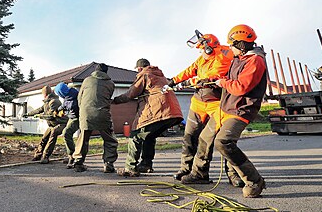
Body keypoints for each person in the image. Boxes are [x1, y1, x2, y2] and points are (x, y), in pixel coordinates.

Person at [184, 24, 267, 198]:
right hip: (226, 107)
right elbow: (229, 78)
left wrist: (223, 83)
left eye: (232, 45)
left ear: (241, 44)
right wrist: (213, 80)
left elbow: (241, 87)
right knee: (204, 138)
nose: (229, 48)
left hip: (240, 110)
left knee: (223, 142)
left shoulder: (255, 61)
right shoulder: (239, 59)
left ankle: (254, 181)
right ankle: (199, 174)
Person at [169, 33, 240, 186]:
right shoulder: (203, 58)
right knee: (189, 136)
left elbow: (212, 75)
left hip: (217, 103)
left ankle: (233, 174)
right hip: (198, 102)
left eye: (201, 50)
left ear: (209, 48)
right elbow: (191, 69)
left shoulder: (226, 55)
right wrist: (173, 81)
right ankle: (186, 169)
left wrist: (195, 81)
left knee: (221, 140)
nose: (200, 53)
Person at [113, 58, 184, 176]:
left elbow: (131, 93)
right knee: (149, 137)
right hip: (172, 112)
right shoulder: (161, 77)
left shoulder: (144, 75)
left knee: (135, 136)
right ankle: (146, 164)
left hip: (157, 111)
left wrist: (115, 101)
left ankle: (130, 167)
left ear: (139, 68)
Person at [71, 63, 118, 173]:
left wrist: (83, 110)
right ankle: (108, 164)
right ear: (106, 72)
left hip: (86, 113)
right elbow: (107, 98)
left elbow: (80, 98)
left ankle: (78, 162)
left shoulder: (87, 80)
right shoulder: (111, 83)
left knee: (83, 138)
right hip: (102, 114)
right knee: (109, 139)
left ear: (95, 70)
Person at [24, 85, 68, 164]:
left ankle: (45, 156)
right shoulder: (47, 102)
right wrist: (28, 114)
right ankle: (38, 155)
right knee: (45, 137)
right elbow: (39, 110)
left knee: (53, 134)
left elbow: (51, 116)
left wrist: (40, 116)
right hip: (53, 124)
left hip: (62, 123)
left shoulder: (54, 102)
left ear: (45, 94)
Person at [54, 81, 80, 167]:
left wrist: (65, 111)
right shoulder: (68, 96)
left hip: (77, 119)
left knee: (66, 133)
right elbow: (64, 104)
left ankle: (72, 156)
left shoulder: (75, 96)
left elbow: (71, 107)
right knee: (66, 134)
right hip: (71, 117)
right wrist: (58, 110)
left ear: (61, 93)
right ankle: (71, 155)